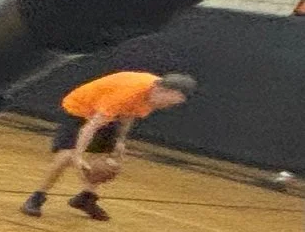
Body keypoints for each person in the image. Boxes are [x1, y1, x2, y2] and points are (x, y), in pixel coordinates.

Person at [20, 69, 194, 220]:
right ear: (163, 90)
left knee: (104, 157)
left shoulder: (151, 98)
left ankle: (86, 197)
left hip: (109, 113)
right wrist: (79, 156)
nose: (168, 106)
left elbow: (128, 115)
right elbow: (90, 127)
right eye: (169, 102)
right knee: (67, 155)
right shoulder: (129, 92)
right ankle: (37, 196)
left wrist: (119, 140)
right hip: (81, 108)